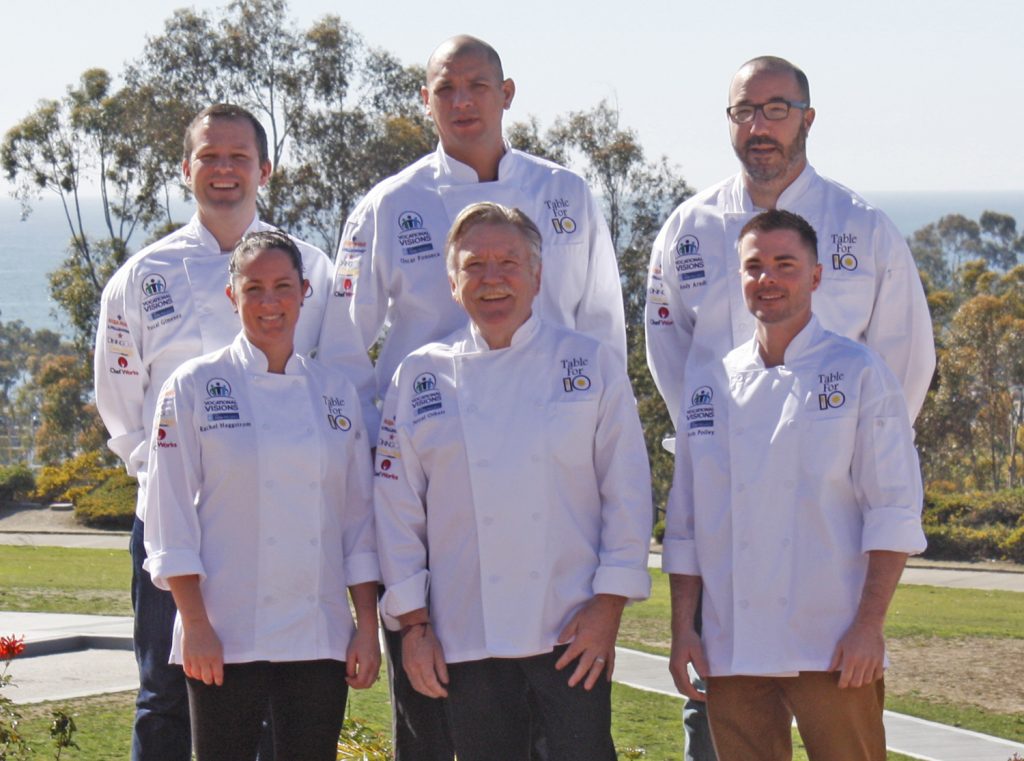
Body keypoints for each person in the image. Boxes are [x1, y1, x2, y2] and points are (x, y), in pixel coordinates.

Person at [318, 35, 627, 758]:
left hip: (557, 481)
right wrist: (386, 451)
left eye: (477, 86)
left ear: (506, 93)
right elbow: (340, 347)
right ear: (425, 100)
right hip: (430, 473)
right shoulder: (390, 205)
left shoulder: (564, 193)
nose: (462, 102)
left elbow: (600, 323)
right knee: (432, 726)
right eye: (445, 88)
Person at [643, 56, 935, 760]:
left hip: (828, 556)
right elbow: (670, 352)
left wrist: (840, 442)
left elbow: (902, 365)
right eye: (744, 110)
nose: (759, 125)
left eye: (776, 109)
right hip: (728, 552)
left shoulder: (863, 228)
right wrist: (730, 439)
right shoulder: (687, 228)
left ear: (808, 117)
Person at [93, 103, 373, 761]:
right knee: (165, 694)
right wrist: (178, 488)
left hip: (294, 534)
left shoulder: (312, 268)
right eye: (210, 157)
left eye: (238, 157)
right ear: (186, 168)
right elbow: (122, 405)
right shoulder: (142, 277)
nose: (224, 170)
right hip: (177, 533)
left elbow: (344, 393)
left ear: (264, 169)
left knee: (282, 713)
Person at [373, 203, 652, 761]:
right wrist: (414, 626)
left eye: (509, 262)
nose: (492, 278)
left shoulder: (590, 364)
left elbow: (627, 495)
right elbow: (396, 511)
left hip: (573, 634)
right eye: (475, 265)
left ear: (538, 275)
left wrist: (608, 610)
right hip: (465, 633)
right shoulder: (419, 376)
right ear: (453, 283)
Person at [142, 231, 380, 761]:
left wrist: (367, 628)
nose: (269, 303)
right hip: (225, 633)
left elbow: (358, 523)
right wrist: (197, 625)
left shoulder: (334, 392)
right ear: (233, 296)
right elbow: (170, 518)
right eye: (254, 289)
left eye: (282, 287)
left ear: (304, 292)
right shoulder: (193, 386)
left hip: (317, 633)